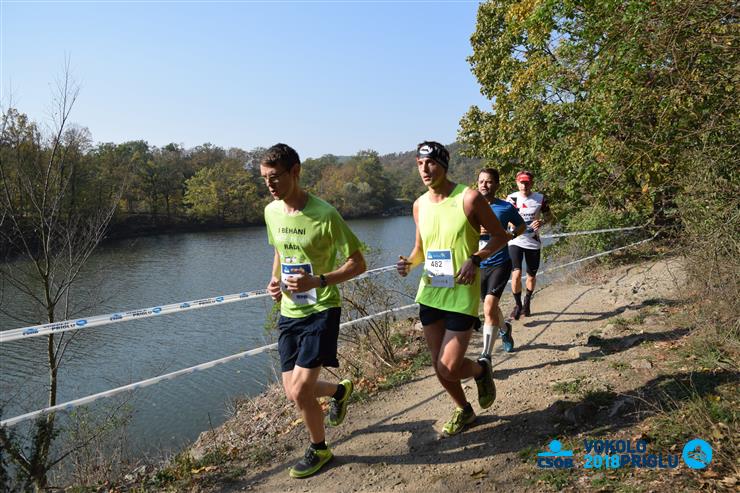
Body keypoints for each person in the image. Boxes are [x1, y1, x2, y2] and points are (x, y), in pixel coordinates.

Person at [261, 143, 366, 478]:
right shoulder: (271, 212)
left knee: (301, 390)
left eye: (275, 177)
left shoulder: (325, 214)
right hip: (291, 311)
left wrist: (318, 281)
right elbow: (280, 251)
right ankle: (340, 391)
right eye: (265, 178)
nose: (270, 184)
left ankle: (319, 449)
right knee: (292, 391)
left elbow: (358, 263)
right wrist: (274, 281)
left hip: (322, 309)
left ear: (295, 172)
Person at [396, 141, 512, 436]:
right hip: (431, 290)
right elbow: (420, 249)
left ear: (443, 165)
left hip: (461, 291)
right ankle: (464, 410)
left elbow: (500, 237)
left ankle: (481, 370)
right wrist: (409, 263)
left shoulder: (469, 198)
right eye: (419, 164)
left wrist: (476, 258)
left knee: (448, 366)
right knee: (438, 365)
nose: (424, 169)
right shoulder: (419, 205)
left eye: (430, 163)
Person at [476, 168, 526, 355]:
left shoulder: (505, 207)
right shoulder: (470, 207)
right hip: (478, 263)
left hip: (500, 262)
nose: (484, 185)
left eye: (488, 181)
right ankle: (505, 329)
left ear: (496, 185)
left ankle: (486, 357)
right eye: (481, 181)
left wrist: (510, 235)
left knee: (489, 307)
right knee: (491, 307)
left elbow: (522, 225)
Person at [506, 170, 552, 319]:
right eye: (521, 183)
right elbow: (505, 217)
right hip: (515, 240)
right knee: (516, 274)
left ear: (531, 183)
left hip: (533, 241)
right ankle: (518, 305)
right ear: (517, 183)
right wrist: (512, 225)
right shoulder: (511, 198)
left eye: (527, 183)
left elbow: (549, 217)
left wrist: (542, 222)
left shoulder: (540, 198)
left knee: (531, 276)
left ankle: (527, 303)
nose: (524, 186)